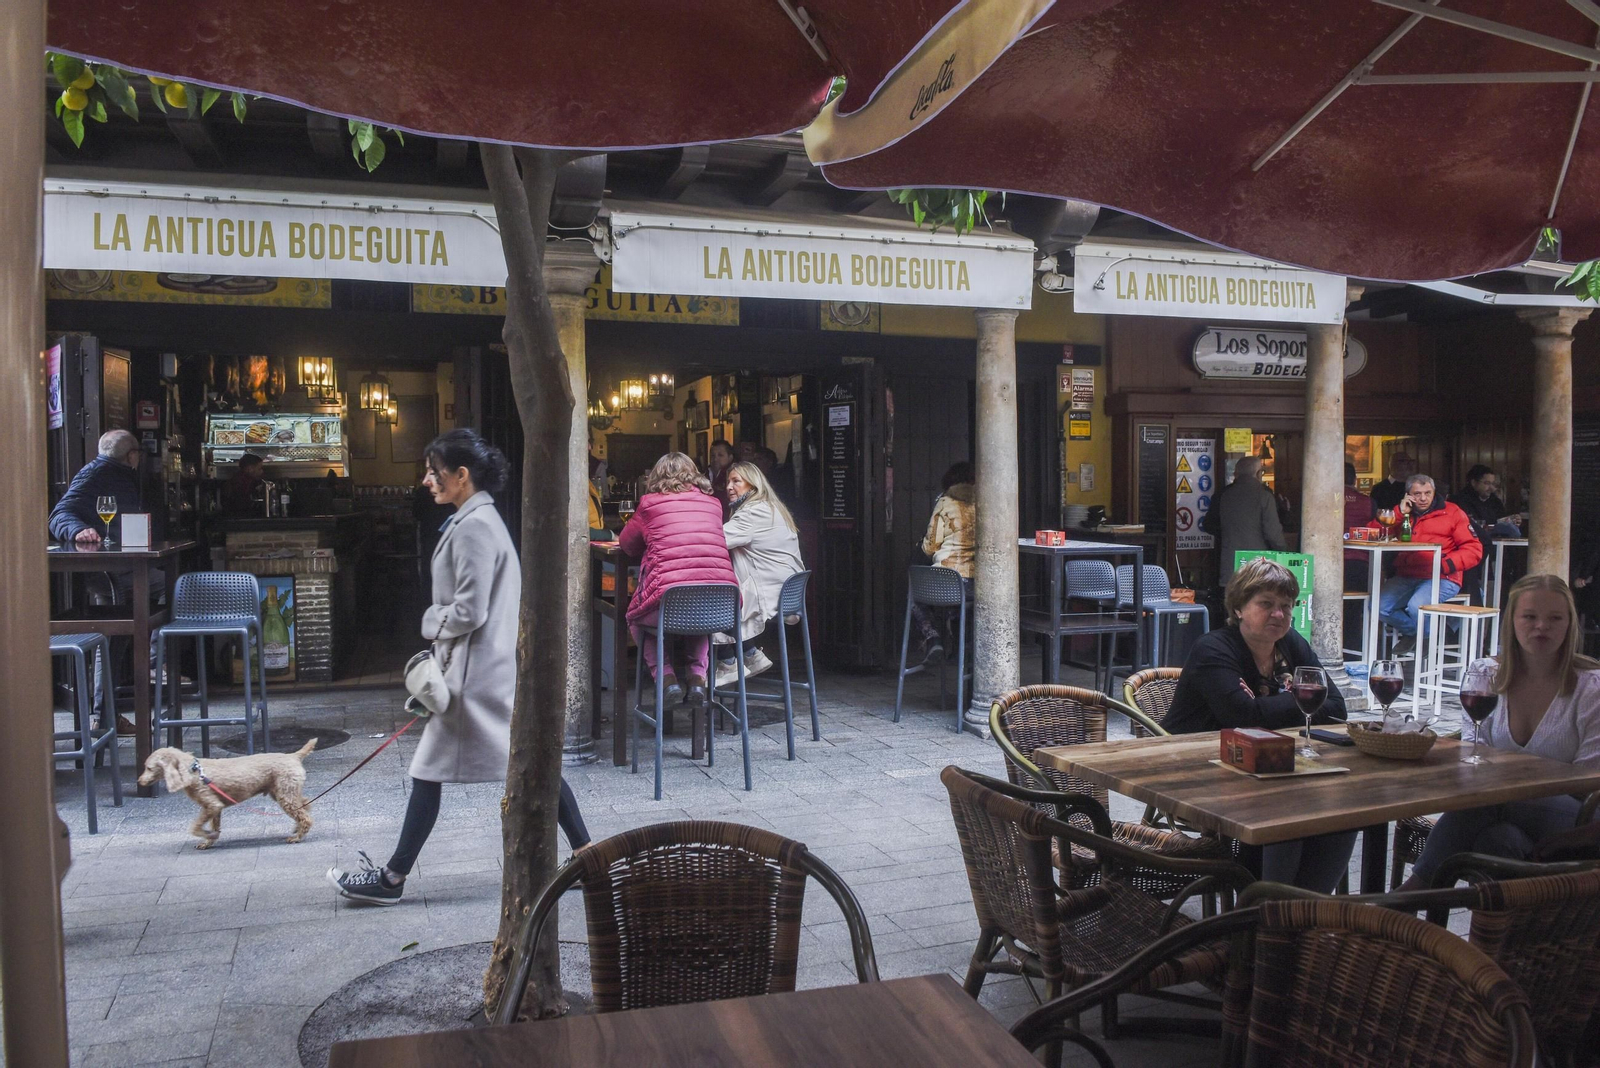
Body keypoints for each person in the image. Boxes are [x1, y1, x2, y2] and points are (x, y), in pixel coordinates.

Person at [329, 429, 589, 905]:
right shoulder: (478, 520)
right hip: (481, 669)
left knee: (440, 769)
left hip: (474, 675)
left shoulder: (474, 526)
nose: (427, 480)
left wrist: (431, 621)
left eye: (435, 471)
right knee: (530, 761)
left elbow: (469, 610)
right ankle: (587, 853)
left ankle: (391, 879)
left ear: (461, 475)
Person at [1398, 575, 1600, 889]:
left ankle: (1410, 894)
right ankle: (1496, 934)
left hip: (1580, 818)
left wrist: (1505, 785)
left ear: (1569, 623)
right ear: (1512, 621)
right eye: (1530, 616)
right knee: (1498, 840)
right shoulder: (1485, 675)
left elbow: (1588, 782)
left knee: (1482, 802)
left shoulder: (1591, 687)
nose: (1541, 626)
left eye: (1554, 618)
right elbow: (1473, 752)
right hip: (1500, 812)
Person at [1165, 558, 1353, 891]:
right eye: (1265, 604)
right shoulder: (1213, 649)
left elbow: (1336, 707)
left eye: (1286, 605)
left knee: (1340, 811)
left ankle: (1307, 909)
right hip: (1197, 767)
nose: (1278, 615)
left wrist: (1264, 705)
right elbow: (1244, 719)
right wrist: (1295, 700)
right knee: (1288, 811)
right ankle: (1266, 911)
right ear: (1238, 608)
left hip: (1269, 764)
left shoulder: (1290, 643)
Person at [619, 452, 737, 707]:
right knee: (700, 619)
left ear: (657, 476)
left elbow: (627, 545)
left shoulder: (649, 504)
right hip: (720, 603)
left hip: (668, 603)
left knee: (635, 619)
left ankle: (667, 678)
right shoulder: (713, 503)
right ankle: (696, 679)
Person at [1369, 474, 1482, 658]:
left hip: (1443, 576)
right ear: (1408, 495)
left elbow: (1474, 549)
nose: (1423, 498)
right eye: (1417, 494)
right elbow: (1373, 532)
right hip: (1408, 574)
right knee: (1378, 607)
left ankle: (1428, 645)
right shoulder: (1404, 513)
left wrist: (1444, 564)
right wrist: (1399, 512)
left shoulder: (1453, 512)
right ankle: (1415, 634)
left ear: (1434, 492)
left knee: (1417, 606)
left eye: (1427, 493)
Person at [713, 461, 805, 688]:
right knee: (727, 586)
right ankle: (751, 653)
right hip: (787, 593)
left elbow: (713, 540)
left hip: (770, 593)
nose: (729, 487)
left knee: (712, 597)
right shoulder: (772, 507)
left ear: (753, 485)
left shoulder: (752, 513)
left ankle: (727, 661)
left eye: (736, 481)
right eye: (728, 482)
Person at [912, 462, 975, 665]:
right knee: (961, 605)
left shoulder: (944, 501)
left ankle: (933, 639)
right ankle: (960, 648)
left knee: (915, 597)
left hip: (947, 581)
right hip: (975, 583)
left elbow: (930, 546)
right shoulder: (986, 501)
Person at [49, 428, 143, 545]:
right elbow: (58, 515)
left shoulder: (122, 474)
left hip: (121, 550)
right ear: (132, 455)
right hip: (103, 554)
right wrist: (79, 530)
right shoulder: (94, 473)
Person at [1209, 456, 1286, 585]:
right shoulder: (1264, 496)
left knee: (1233, 601)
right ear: (1258, 473)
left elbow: (1211, 524)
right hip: (1258, 564)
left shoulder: (1225, 496)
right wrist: (1285, 551)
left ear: (1236, 474)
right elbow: (1273, 533)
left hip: (1230, 563)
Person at [1449, 464, 1518, 603]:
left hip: (1494, 550)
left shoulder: (1494, 501)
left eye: (1493, 484)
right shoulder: (1459, 500)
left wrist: (1510, 521)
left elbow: (1500, 519)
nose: (1491, 488)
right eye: (1486, 483)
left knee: (1493, 587)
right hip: (1470, 552)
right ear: (1474, 482)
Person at [1343, 461, 1373, 592]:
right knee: (1356, 598)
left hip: (1328, 556)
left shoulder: (1325, 499)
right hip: (1359, 557)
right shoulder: (1368, 501)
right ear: (1355, 480)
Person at [586, 453, 611, 539]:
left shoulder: (588, 484)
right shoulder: (568, 488)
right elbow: (576, 530)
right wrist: (609, 535)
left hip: (594, 545)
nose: (589, 447)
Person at [707, 439, 735, 509]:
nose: (715, 459)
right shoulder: (702, 475)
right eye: (713, 455)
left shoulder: (735, 476)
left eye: (720, 455)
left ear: (730, 457)